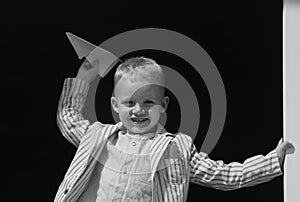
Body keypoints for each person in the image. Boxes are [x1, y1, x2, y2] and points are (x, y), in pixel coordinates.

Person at [54, 56, 295, 202]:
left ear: (163, 105)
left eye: (148, 102)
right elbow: (68, 117)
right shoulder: (99, 136)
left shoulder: (176, 148)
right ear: (115, 106)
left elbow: (221, 174)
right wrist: (84, 78)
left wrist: (272, 162)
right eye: (130, 103)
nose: (138, 110)